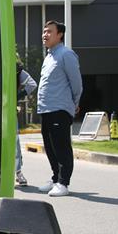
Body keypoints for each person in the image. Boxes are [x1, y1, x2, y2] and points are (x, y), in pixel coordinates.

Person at [36, 20, 82, 197]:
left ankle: (63, 183)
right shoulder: (49, 57)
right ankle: (56, 178)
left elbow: (76, 83)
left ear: (60, 34)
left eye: (49, 31)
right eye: (44, 31)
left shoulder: (66, 54)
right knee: (50, 147)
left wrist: (74, 102)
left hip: (60, 108)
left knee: (61, 147)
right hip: (46, 109)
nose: (45, 35)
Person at [15, 57, 37, 186]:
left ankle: (18, 172)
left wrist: (18, 95)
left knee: (14, 142)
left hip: (10, 110)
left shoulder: (17, 69)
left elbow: (32, 84)